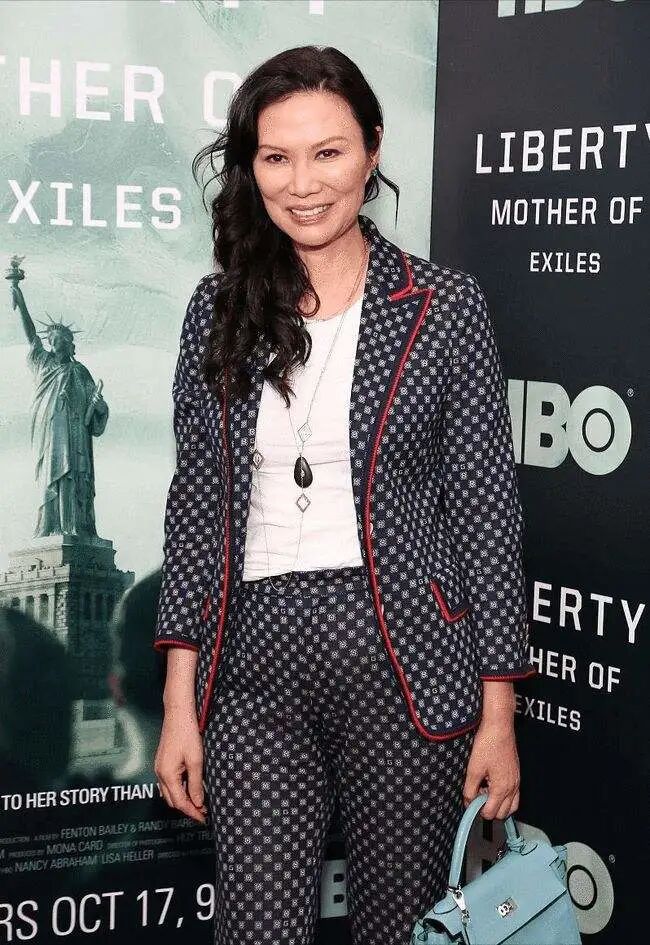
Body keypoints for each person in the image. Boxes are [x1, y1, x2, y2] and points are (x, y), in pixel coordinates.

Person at [153, 45, 537, 945]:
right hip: (250, 662)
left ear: (372, 148)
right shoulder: (219, 309)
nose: (303, 183)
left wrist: (499, 714)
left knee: (402, 927)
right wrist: (179, 703)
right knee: (256, 928)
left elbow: (485, 510)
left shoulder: (442, 305)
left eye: (328, 152)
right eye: (276, 157)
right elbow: (196, 508)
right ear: (251, 168)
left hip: (403, 658)